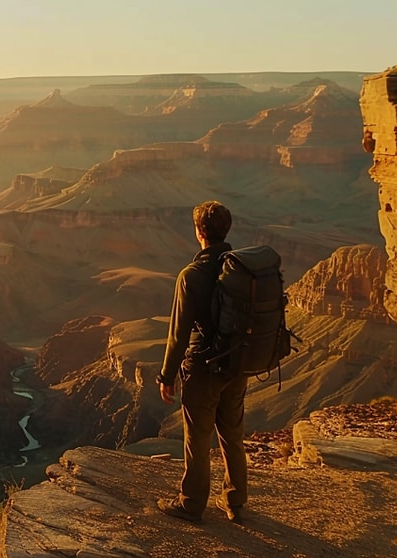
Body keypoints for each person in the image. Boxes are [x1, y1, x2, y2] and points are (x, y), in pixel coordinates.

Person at [155, 200, 247, 524]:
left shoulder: (191, 275)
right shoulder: (242, 269)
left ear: (200, 232)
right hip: (237, 365)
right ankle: (236, 502)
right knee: (232, 435)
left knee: (197, 438)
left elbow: (177, 335)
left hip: (204, 368)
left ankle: (192, 503)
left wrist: (166, 375)